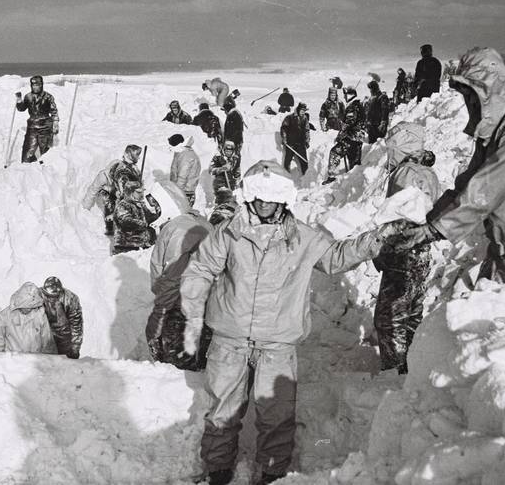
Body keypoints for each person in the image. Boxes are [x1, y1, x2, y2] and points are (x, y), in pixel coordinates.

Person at [179, 160, 405, 485]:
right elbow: (201, 269)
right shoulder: (229, 233)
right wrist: (194, 310)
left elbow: (337, 256)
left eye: (272, 198)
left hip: (278, 345)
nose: (265, 204)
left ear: (284, 199)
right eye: (259, 198)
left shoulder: (303, 238)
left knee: (277, 416)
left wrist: (378, 239)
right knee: (221, 412)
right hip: (230, 340)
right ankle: (218, 472)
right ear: (249, 197)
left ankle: (272, 475)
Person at [385, 47, 505, 288]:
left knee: (503, 323)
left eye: (472, 94)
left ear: (490, 90)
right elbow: (468, 183)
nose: (469, 102)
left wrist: (434, 231)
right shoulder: (501, 125)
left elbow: (486, 189)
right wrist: (431, 220)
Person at [372, 123, 441, 374]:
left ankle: (396, 374)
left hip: (403, 251)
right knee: (411, 314)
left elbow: (399, 218)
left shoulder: (405, 174)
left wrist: (384, 249)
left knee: (389, 319)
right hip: (421, 252)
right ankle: (413, 369)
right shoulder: (426, 172)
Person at [146, 209, 215, 370]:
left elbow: (169, 275)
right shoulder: (203, 225)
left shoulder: (177, 231)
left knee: (177, 365)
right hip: (205, 298)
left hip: (183, 300)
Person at [83, 144, 143, 235]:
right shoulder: (103, 176)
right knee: (109, 202)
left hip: (120, 191)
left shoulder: (129, 170)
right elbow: (92, 191)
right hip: (108, 191)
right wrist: (85, 209)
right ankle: (110, 226)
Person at [0, 282, 58, 354]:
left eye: (31, 307)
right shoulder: (4, 316)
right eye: (26, 306)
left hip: (34, 362)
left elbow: (48, 343)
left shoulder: (40, 316)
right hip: (11, 362)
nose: (28, 309)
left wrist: (49, 361)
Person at [16, 75, 60, 163]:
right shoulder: (28, 97)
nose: (35, 87)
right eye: (33, 85)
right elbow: (21, 108)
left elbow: (54, 111)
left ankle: (45, 167)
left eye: (37, 85)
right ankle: (27, 165)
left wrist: (55, 123)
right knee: (28, 150)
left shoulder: (48, 97)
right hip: (32, 127)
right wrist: (19, 100)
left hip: (45, 127)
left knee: (45, 151)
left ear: (41, 85)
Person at [111, 182, 162, 254]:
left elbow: (149, 218)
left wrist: (158, 214)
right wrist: (142, 223)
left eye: (142, 192)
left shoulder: (140, 204)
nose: (141, 194)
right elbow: (126, 221)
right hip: (126, 247)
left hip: (142, 245)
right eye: (138, 192)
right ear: (130, 192)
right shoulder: (123, 205)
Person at [40, 276, 83, 359]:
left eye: (55, 296)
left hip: (64, 336)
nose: (52, 299)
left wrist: (75, 346)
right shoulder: (37, 295)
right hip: (44, 335)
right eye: (49, 296)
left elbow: (76, 324)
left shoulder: (70, 298)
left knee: (65, 364)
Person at [323, 108, 365, 185]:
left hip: (355, 143)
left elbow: (350, 128)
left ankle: (354, 182)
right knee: (335, 152)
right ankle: (332, 176)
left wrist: (342, 136)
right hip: (347, 142)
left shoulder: (357, 115)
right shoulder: (349, 112)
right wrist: (340, 137)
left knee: (354, 165)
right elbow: (344, 127)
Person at [280, 102, 314, 175]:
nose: (303, 112)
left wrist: (307, 141)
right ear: (298, 110)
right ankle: (286, 175)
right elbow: (284, 128)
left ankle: (306, 177)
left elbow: (307, 131)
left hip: (301, 143)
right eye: (302, 110)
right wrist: (284, 138)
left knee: (304, 161)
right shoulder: (289, 118)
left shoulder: (305, 119)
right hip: (290, 143)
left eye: (304, 111)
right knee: (287, 160)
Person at [169, 134, 201, 207]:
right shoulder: (183, 153)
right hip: (185, 191)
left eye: (172, 145)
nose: (170, 148)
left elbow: (182, 176)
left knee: (181, 216)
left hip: (184, 193)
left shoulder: (185, 156)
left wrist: (177, 192)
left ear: (177, 144)